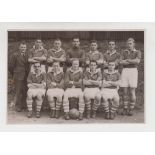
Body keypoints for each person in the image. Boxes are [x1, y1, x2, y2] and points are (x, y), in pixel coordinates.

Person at [120, 38, 141, 116]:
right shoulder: (123, 52)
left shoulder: (137, 52)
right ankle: (125, 108)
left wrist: (128, 60)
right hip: (125, 71)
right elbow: (121, 62)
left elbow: (137, 61)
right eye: (128, 43)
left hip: (133, 71)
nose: (129, 45)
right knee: (124, 91)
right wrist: (132, 60)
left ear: (134, 44)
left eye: (130, 43)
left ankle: (131, 109)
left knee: (132, 91)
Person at [9, 42, 29, 112]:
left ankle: (24, 106)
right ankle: (18, 106)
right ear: (19, 48)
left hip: (26, 76)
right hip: (18, 75)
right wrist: (15, 73)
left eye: (24, 47)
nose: (23, 49)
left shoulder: (27, 55)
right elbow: (10, 67)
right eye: (22, 47)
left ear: (26, 48)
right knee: (18, 91)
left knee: (25, 91)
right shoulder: (15, 55)